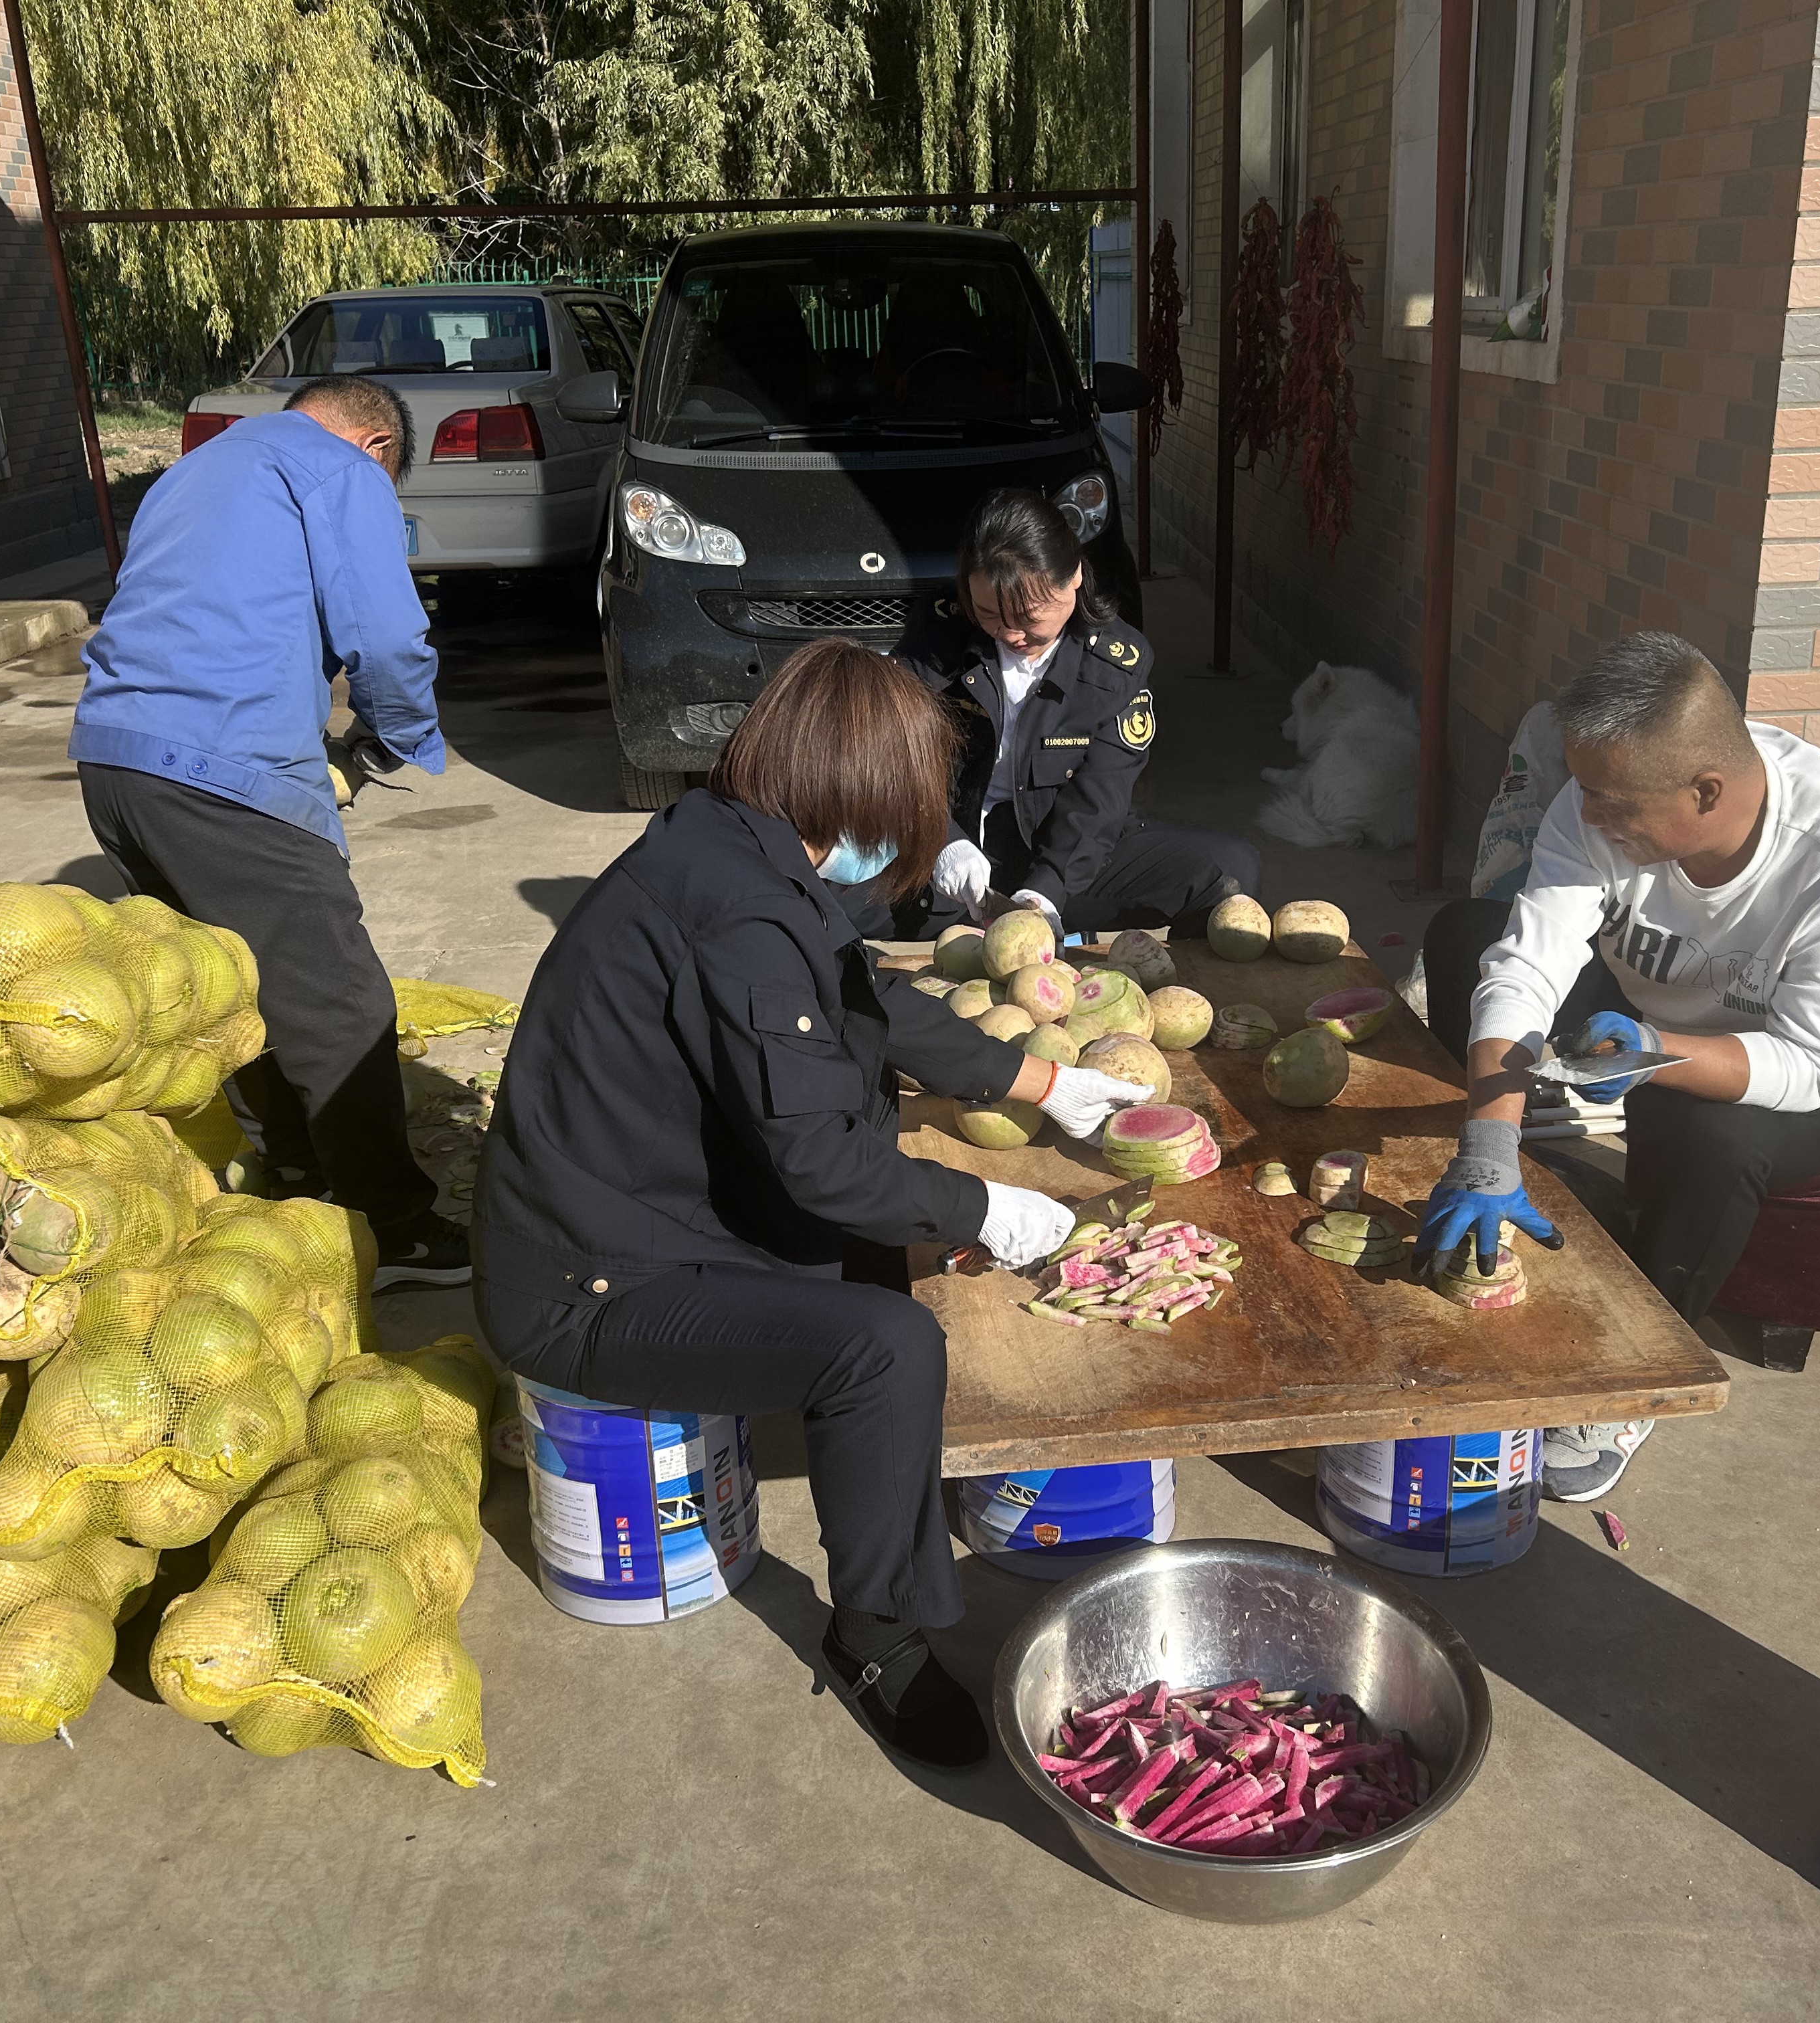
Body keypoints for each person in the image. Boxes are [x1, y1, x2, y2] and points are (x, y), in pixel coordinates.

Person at [471, 639, 1153, 1769]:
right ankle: (876, 1631)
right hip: (585, 1286)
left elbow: (864, 994)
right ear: (860, 790)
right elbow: (824, 1167)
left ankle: (884, 1489)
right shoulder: (736, 913)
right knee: (884, 1345)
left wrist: (1043, 1080)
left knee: (881, 1229)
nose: (909, 835)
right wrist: (985, 1206)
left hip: (648, 1208)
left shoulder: (739, 845)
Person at [1417, 631, 1820, 1501]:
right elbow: (1529, 962)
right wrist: (1486, 1150)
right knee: (1470, 934)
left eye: (1610, 804)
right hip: (1645, 1017)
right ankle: (1532, 1139)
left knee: (1717, 1136)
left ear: (1706, 791)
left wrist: (1657, 1059)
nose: (1587, 814)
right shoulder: (1604, 794)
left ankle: (1633, 1381)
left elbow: (1811, 1065)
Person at [69, 375, 470, 1290]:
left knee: (231, 985)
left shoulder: (198, 469)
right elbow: (385, 633)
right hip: (219, 765)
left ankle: (294, 1170)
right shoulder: (340, 470)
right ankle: (393, 1228)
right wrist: (398, 736)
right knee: (340, 1003)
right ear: (374, 445)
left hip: (113, 759)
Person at [838, 488, 1261, 945]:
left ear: (1073, 577)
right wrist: (943, 841)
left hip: (1062, 859)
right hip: (947, 862)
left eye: (1028, 616)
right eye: (988, 614)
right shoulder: (938, 634)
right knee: (804, 882)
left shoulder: (1115, 664)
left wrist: (1046, 894)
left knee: (1228, 871)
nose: (1011, 633)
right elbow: (893, 753)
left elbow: (1099, 799)